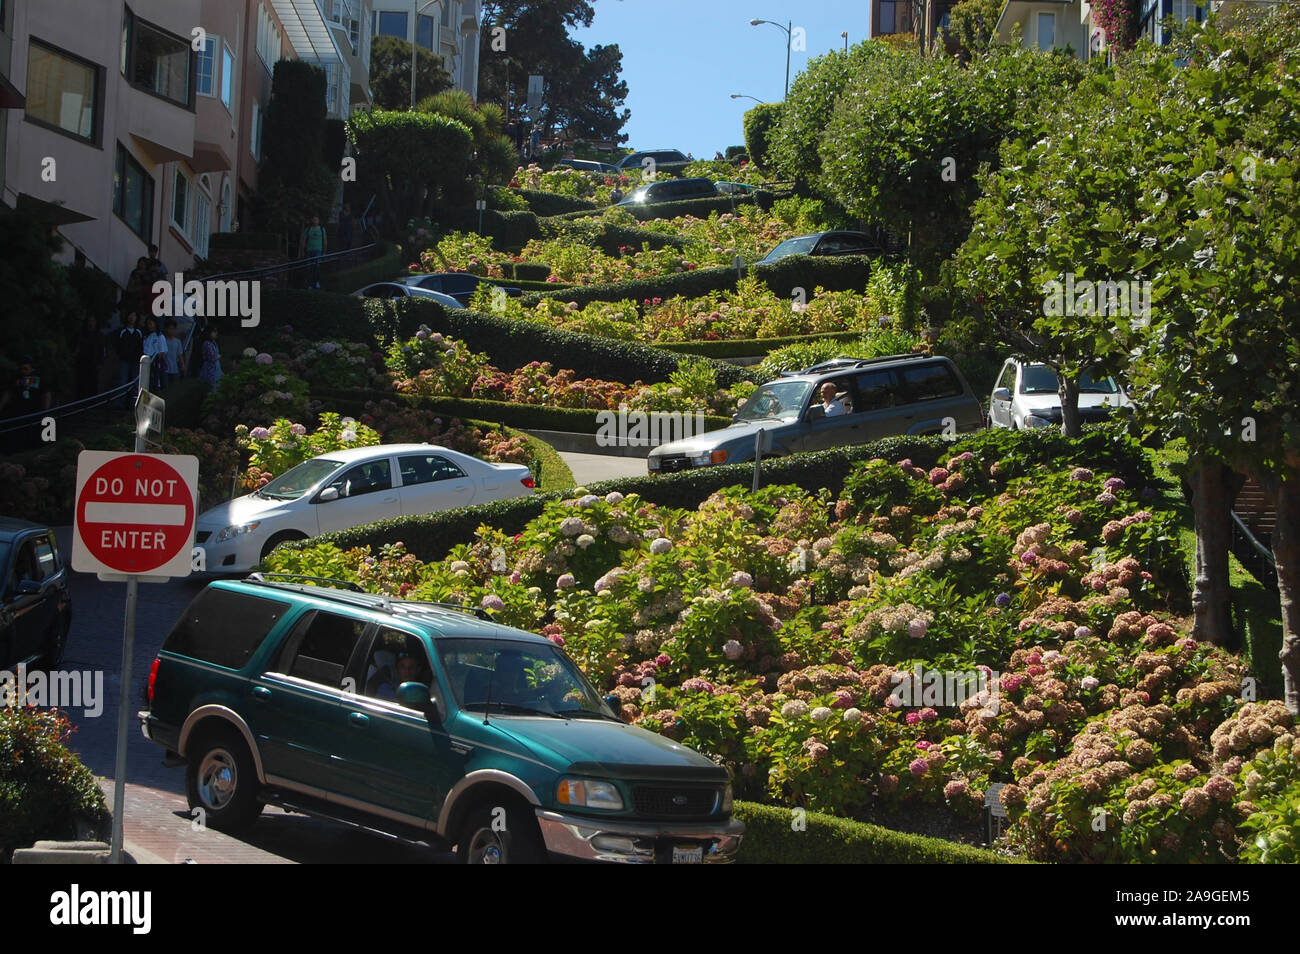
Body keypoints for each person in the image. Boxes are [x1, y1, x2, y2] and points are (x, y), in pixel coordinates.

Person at [0, 355, 53, 447]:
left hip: (35, 410)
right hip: (19, 410)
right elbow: (9, 392)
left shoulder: (39, 377)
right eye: (21, 369)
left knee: (34, 430)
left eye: (25, 369)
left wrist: (46, 410)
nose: (23, 371)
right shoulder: (16, 377)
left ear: (31, 368)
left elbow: (46, 393)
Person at [115, 312, 144, 405]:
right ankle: (121, 403)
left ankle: (133, 404)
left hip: (136, 361)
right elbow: (118, 346)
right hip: (124, 361)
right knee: (123, 382)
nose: (132, 318)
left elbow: (141, 346)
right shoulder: (122, 331)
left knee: (135, 383)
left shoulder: (139, 332)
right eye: (130, 315)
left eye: (134, 316)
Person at [74, 315, 105, 400]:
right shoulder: (81, 333)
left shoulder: (99, 335)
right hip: (82, 361)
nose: (91, 323)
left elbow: (101, 349)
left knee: (93, 383)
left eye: (93, 321)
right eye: (90, 321)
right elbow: (77, 347)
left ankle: (92, 401)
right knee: (81, 382)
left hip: (94, 362)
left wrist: (100, 362)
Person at [142, 317, 168, 392]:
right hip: (146, 364)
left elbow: (162, 352)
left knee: (156, 385)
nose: (149, 326)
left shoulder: (160, 336)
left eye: (151, 324)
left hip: (156, 364)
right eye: (148, 324)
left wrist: (155, 360)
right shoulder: (147, 336)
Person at [301, 214, 327, 289]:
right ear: (311, 220)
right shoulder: (308, 229)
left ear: (319, 221)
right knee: (309, 267)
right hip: (309, 250)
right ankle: (310, 284)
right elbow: (303, 240)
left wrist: (324, 252)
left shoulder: (322, 229)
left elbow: (325, 241)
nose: (315, 221)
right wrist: (302, 251)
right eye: (314, 219)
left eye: (316, 219)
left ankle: (317, 282)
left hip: (318, 250)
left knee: (317, 267)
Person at [163, 319, 186, 387]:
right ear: (166, 329)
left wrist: (182, 365)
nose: (171, 330)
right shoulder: (162, 340)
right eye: (170, 328)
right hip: (165, 370)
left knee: (175, 387)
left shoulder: (177, 341)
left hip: (175, 369)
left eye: (173, 329)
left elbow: (180, 355)